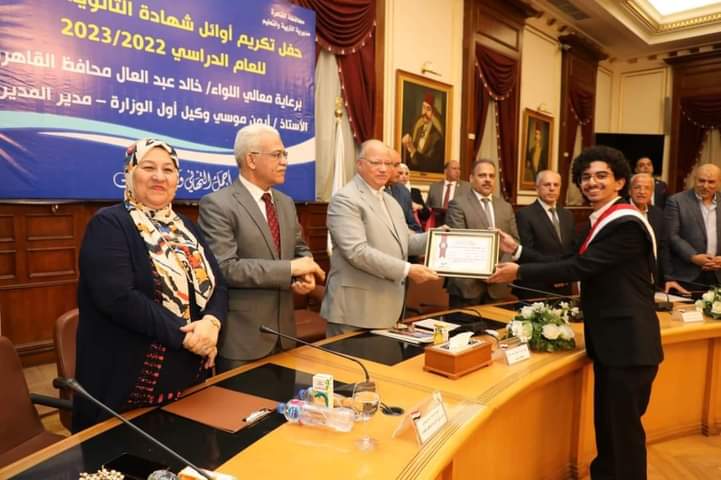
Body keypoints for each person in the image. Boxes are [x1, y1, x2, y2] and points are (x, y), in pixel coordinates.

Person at [490, 145, 662, 479]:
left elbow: (580, 267)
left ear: (620, 182)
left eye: (601, 176)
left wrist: (519, 271)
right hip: (614, 345)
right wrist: (519, 250)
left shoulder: (625, 224)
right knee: (609, 433)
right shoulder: (598, 222)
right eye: (585, 177)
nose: (591, 183)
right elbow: (567, 260)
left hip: (629, 346)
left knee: (623, 438)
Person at [74, 139, 228, 432]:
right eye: (148, 167)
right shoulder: (109, 224)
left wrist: (212, 323)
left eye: (168, 169)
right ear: (130, 174)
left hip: (189, 378)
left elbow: (218, 284)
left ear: (177, 179)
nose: (159, 177)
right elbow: (119, 298)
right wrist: (188, 338)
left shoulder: (187, 227)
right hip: (126, 385)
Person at [199, 124, 325, 371]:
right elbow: (226, 268)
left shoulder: (286, 203)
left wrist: (305, 274)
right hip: (243, 341)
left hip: (285, 336)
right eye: (277, 154)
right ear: (251, 160)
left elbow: (300, 249)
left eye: (285, 154)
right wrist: (290, 269)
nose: (285, 161)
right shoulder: (218, 205)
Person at [321, 140, 439, 335]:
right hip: (355, 311)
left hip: (387, 309)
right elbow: (357, 252)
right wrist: (407, 269)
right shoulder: (346, 199)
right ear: (360, 164)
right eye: (376, 163)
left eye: (388, 163)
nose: (383, 169)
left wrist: (439, 237)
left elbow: (405, 242)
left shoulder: (391, 202)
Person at [445, 159, 519, 306]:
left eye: (491, 176)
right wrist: (484, 270)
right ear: (471, 178)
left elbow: (514, 241)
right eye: (482, 175)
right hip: (467, 286)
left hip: (499, 286)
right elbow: (458, 244)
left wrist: (501, 270)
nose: (487, 179)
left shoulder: (505, 207)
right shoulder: (458, 204)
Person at [514, 170, 575, 298]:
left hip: (564, 285)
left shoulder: (567, 215)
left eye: (556, 185)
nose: (552, 188)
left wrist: (564, 274)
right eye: (547, 184)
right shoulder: (525, 215)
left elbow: (571, 250)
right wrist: (554, 274)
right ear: (537, 188)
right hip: (537, 286)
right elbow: (527, 254)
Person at [665, 163, 721, 291]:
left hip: (718, 274)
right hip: (688, 275)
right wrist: (693, 257)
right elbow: (672, 236)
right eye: (701, 180)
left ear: (719, 183)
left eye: (711, 182)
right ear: (694, 179)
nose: (705, 186)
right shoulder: (676, 201)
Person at [628, 173, 684, 293]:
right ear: (629, 191)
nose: (642, 191)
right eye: (637, 187)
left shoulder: (658, 214)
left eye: (647, 188)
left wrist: (668, 277)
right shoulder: (620, 211)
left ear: (652, 193)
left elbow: (663, 248)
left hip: (651, 279)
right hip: (626, 278)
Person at [400, 92, 444, 173]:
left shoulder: (436, 137)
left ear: (433, 113)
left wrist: (412, 149)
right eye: (423, 108)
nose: (424, 112)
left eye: (428, 109)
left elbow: (430, 164)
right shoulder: (418, 130)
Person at [385, 149, 423, 232]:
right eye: (396, 165)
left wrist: (429, 236)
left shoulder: (403, 191)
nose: (399, 171)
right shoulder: (370, 191)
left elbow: (413, 226)